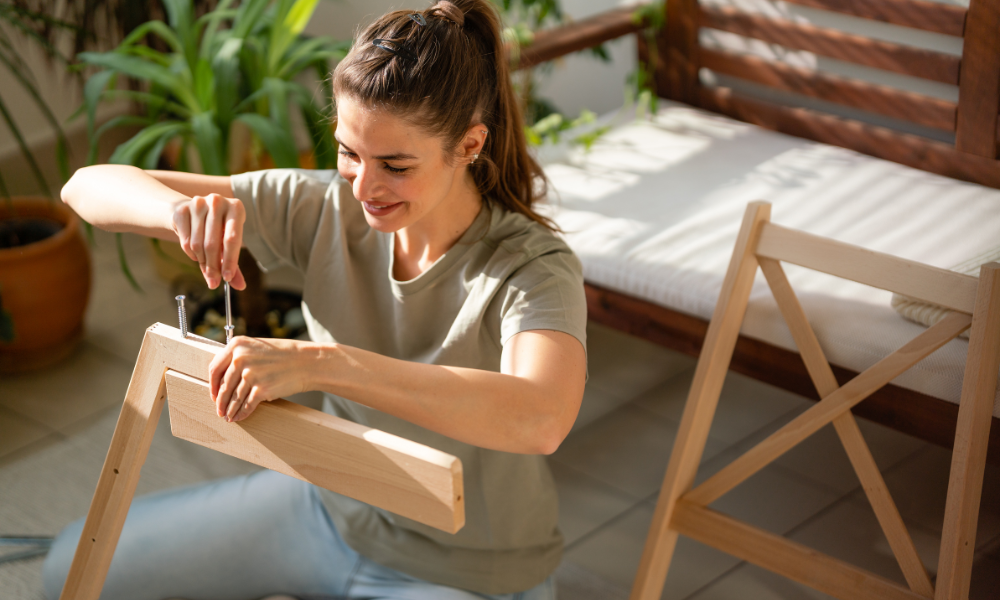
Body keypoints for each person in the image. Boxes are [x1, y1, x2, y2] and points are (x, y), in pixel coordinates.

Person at [43, 0, 588, 598]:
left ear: (468, 145)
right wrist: (179, 211)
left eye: (396, 165)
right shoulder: (326, 206)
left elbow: (541, 416)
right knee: (67, 568)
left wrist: (321, 363)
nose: (365, 186)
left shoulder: (531, 268)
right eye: (349, 152)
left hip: (471, 574)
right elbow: (85, 185)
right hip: (328, 512)